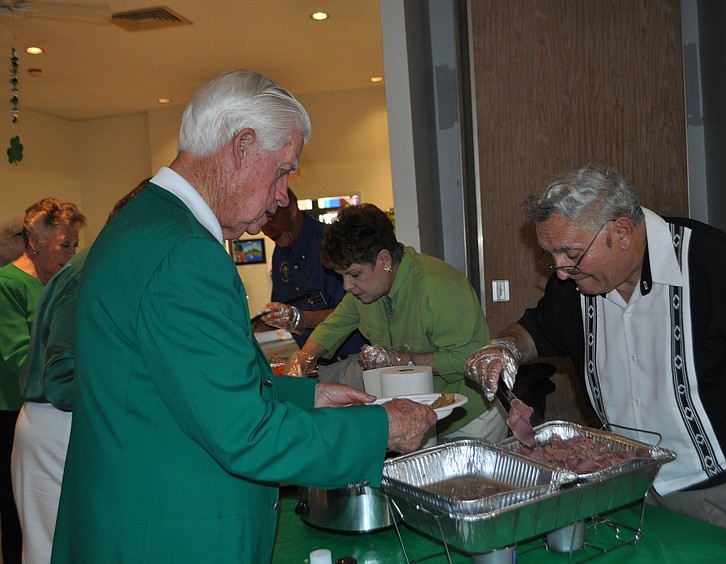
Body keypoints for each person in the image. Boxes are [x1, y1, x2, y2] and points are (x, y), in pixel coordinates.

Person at [50, 70, 435, 563]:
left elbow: (179, 385)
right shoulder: (185, 253)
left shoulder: (141, 222)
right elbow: (245, 433)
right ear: (243, 146)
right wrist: (380, 429)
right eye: (283, 171)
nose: (283, 195)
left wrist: (311, 395)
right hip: (172, 537)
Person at [465, 164, 726, 562]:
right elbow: (538, 328)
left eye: (571, 253)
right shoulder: (576, 283)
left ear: (621, 231)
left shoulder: (715, 262)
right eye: (553, 256)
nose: (561, 271)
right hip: (640, 493)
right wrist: (505, 346)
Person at [283, 203, 507, 441]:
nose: (347, 286)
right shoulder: (363, 295)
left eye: (355, 274)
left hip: (471, 417)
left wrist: (402, 359)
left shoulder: (439, 285)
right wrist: (301, 360)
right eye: (342, 276)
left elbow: (468, 358)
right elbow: (331, 328)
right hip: (422, 417)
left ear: (384, 260)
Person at [10, 182, 145, 564]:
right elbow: (61, 379)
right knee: (54, 551)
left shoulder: (91, 265)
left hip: (60, 421)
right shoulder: (92, 270)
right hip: (55, 422)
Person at [0, 198, 86, 564]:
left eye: (75, 246)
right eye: (64, 245)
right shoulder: (8, 284)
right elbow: (18, 357)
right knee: (19, 521)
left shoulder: (59, 284)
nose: (70, 254)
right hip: (14, 412)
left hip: (54, 412)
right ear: (35, 241)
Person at [254, 188, 367, 359]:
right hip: (313, 359)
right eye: (260, 221)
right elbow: (283, 305)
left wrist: (303, 318)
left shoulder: (331, 242)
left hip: (352, 358)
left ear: (292, 208)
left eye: (270, 218)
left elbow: (355, 312)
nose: (266, 229)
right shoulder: (280, 253)